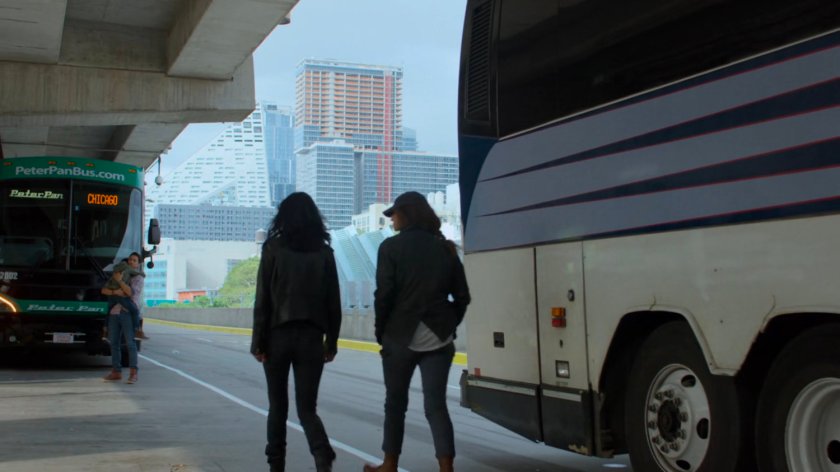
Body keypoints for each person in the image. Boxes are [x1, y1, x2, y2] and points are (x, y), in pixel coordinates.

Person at [364, 191, 471, 472]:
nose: (392, 219)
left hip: (399, 335)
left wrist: (381, 332)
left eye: (394, 214)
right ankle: (446, 468)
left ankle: (389, 464)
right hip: (438, 337)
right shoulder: (445, 248)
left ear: (407, 214)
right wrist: (449, 323)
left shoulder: (390, 248)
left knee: (395, 403)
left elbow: (383, 295)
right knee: (436, 406)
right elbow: (462, 296)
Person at [251, 192, 341, 472]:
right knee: (307, 408)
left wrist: (258, 341)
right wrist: (332, 342)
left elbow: (263, 298)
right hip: (312, 338)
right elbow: (333, 302)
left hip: (277, 337)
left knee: (277, 407)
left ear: (283, 217)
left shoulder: (273, 248)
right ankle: (321, 454)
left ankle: (276, 466)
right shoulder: (325, 252)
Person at [101, 252, 145, 384]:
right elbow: (104, 290)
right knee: (114, 343)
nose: (131, 262)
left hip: (127, 313)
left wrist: (119, 281)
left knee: (130, 344)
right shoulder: (120, 274)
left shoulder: (137, 278)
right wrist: (115, 291)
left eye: (135, 260)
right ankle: (116, 371)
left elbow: (130, 293)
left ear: (138, 264)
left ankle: (133, 373)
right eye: (130, 260)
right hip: (115, 312)